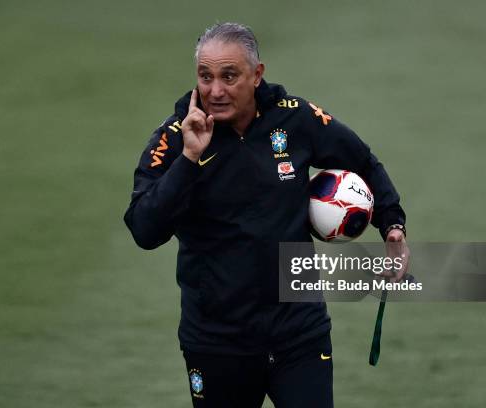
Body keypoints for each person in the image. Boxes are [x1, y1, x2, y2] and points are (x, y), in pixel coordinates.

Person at [124, 22, 408, 408]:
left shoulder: (296, 120)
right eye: (205, 77)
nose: (215, 91)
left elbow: (361, 160)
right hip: (217, 343)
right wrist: (190, 159)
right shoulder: (175, 138)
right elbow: (144, 229)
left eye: (229, 76)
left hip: (298, 334)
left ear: (257, 75)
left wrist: (392, 224)